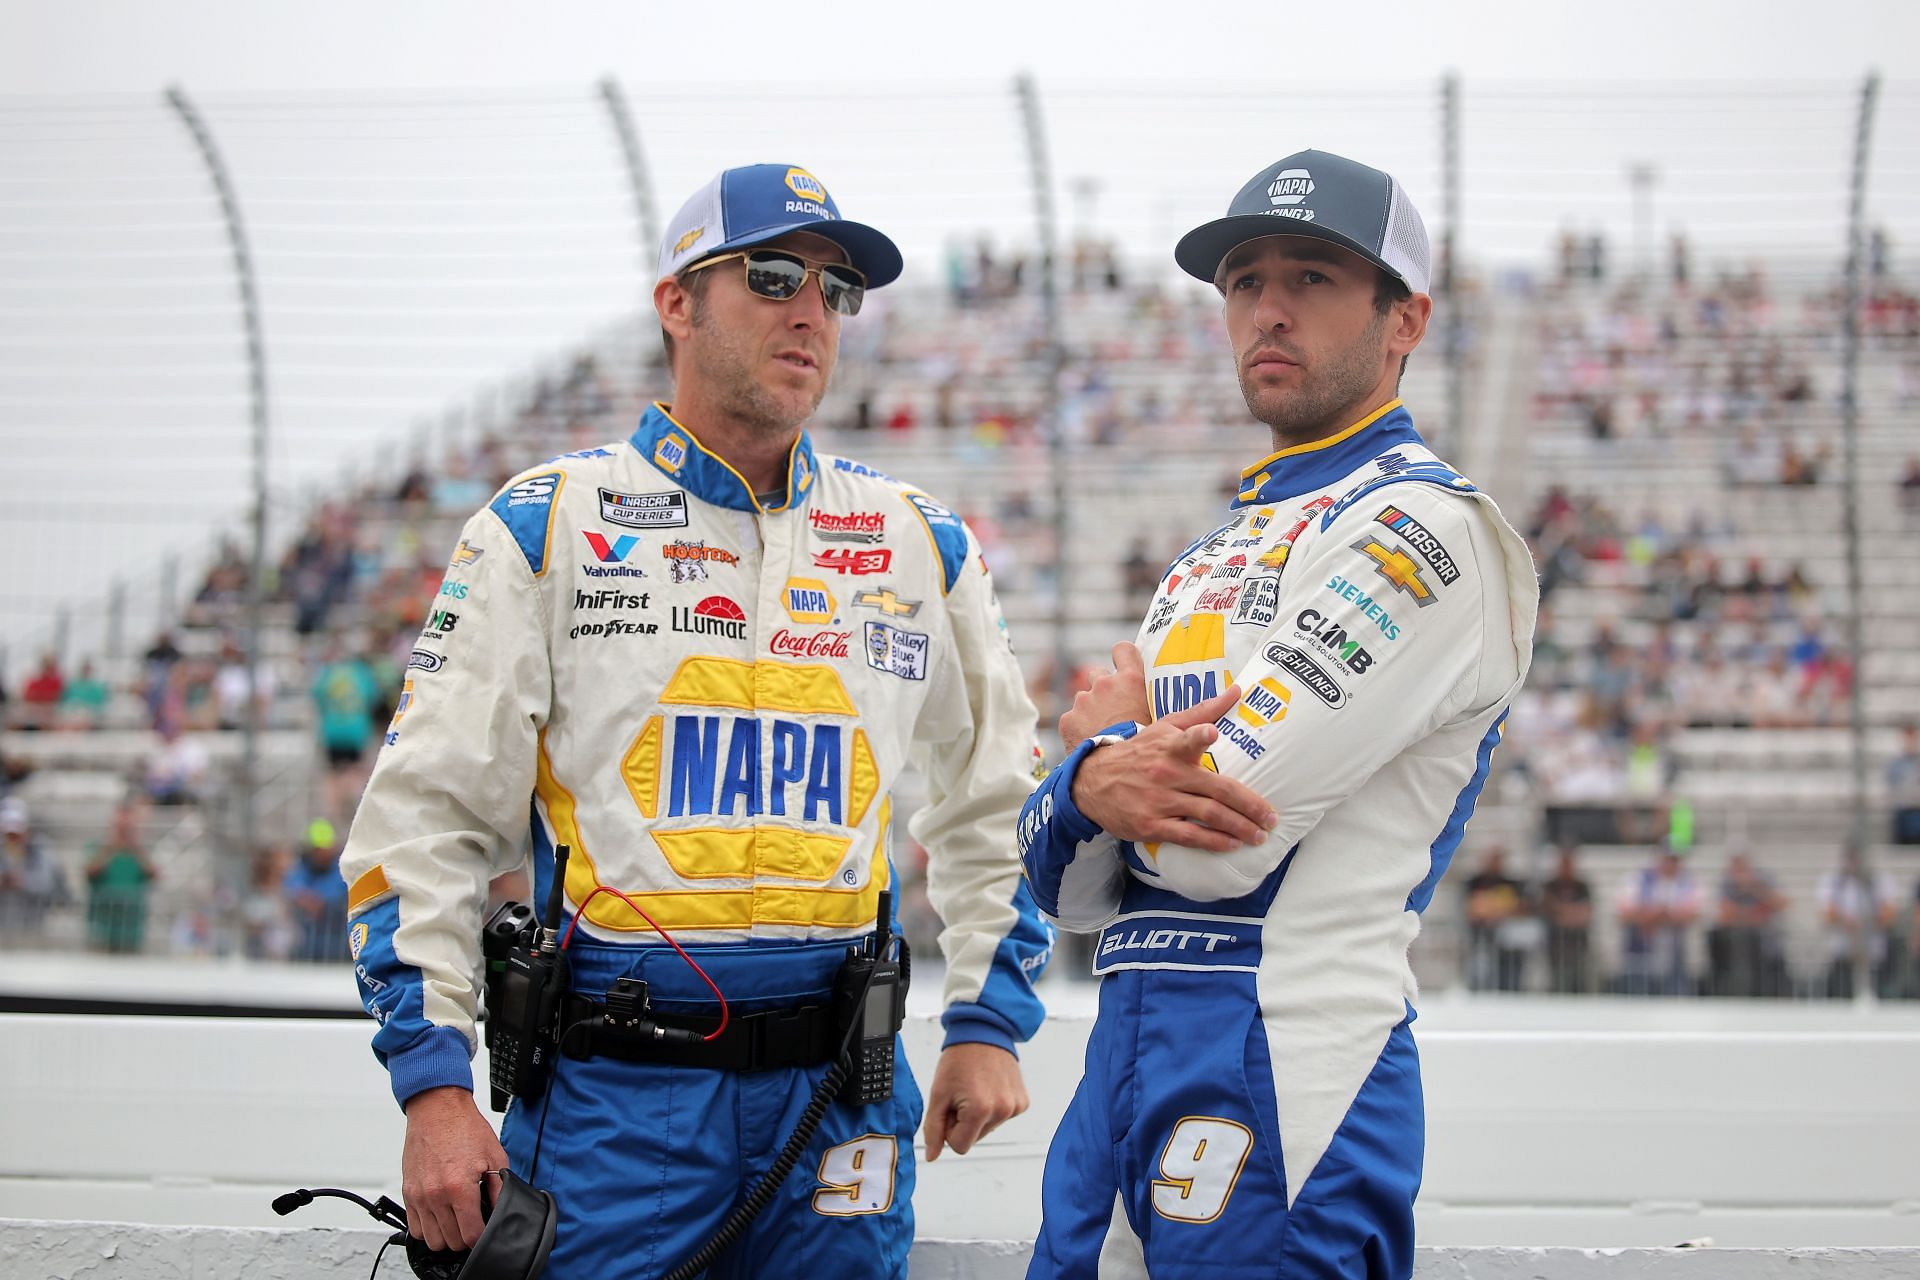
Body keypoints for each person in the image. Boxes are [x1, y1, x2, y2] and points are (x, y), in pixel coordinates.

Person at [340, 163, 1051, 1279]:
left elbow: (996, 800)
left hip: (839, 1095)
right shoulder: (546, 525)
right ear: (677, 301)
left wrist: (986, 1020)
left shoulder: (919, 539)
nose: (810, 307)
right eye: (772, 275)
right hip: (616, 1093)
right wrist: (434, 1088)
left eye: (837, 287)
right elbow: (419, 827)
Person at [1016, 150, 1537, 1279]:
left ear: (1406, 320)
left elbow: (1214, 851)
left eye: (1312, 276)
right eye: (1245, 280)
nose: (1269, 307)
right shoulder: (1206, 556)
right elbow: (1063, 891)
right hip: (1126, 1056)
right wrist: (1095, 785)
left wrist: (1098, 769)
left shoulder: (1428, 528)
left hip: (1294, 1064)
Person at [1614, 848, 1702, 996]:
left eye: (1674, 860)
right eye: (1667, 859)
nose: (1670, 864)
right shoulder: (1638, 879)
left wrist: (1653, 916)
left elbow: (1692, 913)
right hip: (1640, 956)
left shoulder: (1687, 882)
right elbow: (1624, 911)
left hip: (1673, 958)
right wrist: (1660, 915)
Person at [1816, 841, 1898, 998]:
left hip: (1874, 952)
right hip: (1843, 952)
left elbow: (1889, 913)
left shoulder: (1879, 881)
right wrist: (1846, 921)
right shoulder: (1835, 882)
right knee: (1839, 997)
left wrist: (1866, 923)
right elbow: (1826, 913)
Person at [1709, 851, 1786, 997]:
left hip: (1764, 948)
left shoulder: (1763, 881)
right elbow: (1724, 914)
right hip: (1733, 948)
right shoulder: (1726, 884)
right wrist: (1751, 915)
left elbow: (1780, 904)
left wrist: (1755, 888)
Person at [85, 801, 156, 954]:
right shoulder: (98, 847)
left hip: (131, 928)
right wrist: (110, 848)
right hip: (102, 926)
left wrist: (136, 849)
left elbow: (153, 874)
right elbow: (90, 872)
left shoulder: (139, 851)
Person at [283, 820, 349, 963]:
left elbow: (335, 891)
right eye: (318, 850)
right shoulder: (302, 867)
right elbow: (292, 884)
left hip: (338, 943)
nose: (322, 854)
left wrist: (315, 900)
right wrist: (303, 897)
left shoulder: (341, 868)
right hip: (307, 942)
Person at [1539, 844, 1594, 994]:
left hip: (1578, 945)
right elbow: (1547, 909)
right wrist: (1571, 912)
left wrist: (1561, 911)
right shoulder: (1550, 886)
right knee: (1556, 984)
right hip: (1555, 945)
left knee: (1578, 984)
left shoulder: (1581, 886)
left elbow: (1585, 914)